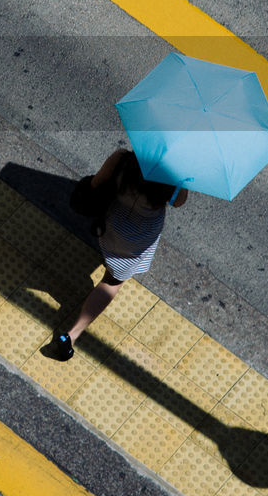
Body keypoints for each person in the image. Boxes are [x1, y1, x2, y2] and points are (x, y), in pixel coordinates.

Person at [51, 148, 187, 360]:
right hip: (139, 238)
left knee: (109, 251)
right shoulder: (172, 182)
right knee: (112, 281)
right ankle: (72, 334)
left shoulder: (122, 159)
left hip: (111, 223)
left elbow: (95, 184)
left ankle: (108, 256)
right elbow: (179, 202)